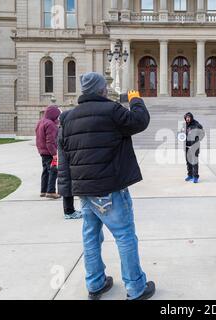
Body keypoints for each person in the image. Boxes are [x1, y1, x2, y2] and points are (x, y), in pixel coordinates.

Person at [57, 72, 155, 301]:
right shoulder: (111, 111)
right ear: (102, 90)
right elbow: (140, 121)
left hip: (84, 189)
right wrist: (136, 100)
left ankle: (95, 284)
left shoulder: (67, 118)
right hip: (108, 187)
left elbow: (63, 156)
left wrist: (66, 190)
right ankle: (135, 288)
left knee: (91, 237)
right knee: (125, 236)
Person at [56, 112, 82, 220]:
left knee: (67, 187)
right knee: (67, 188)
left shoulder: (61, 130)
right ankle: (69, 212)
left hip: (63, 162)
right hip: (66, 163)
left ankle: (69, 210)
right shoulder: (65, 131)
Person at [35, 105, 61, 199]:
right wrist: (54, 154)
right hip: (50, 152)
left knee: (45, 170)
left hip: (42, 151)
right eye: (57, 115)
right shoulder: (50, 124)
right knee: (53, 171)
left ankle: (43, 190)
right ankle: (51, 191)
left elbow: (38, 138)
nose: (58, 117)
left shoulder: (40, 122)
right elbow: (50, 141)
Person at [183, 112, 205, 184]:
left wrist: (198, 139)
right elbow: (182, 133)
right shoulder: (185, 125)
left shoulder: (196, 124)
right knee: (188, 162)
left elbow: (202, 133)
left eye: (189, 117)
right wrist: (180, 135)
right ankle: (190, 175)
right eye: (186, 118)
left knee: (194, 162)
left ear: (191, 118)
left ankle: (195, 177)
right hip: (187, 146)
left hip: (194, 146)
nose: (187, 119)